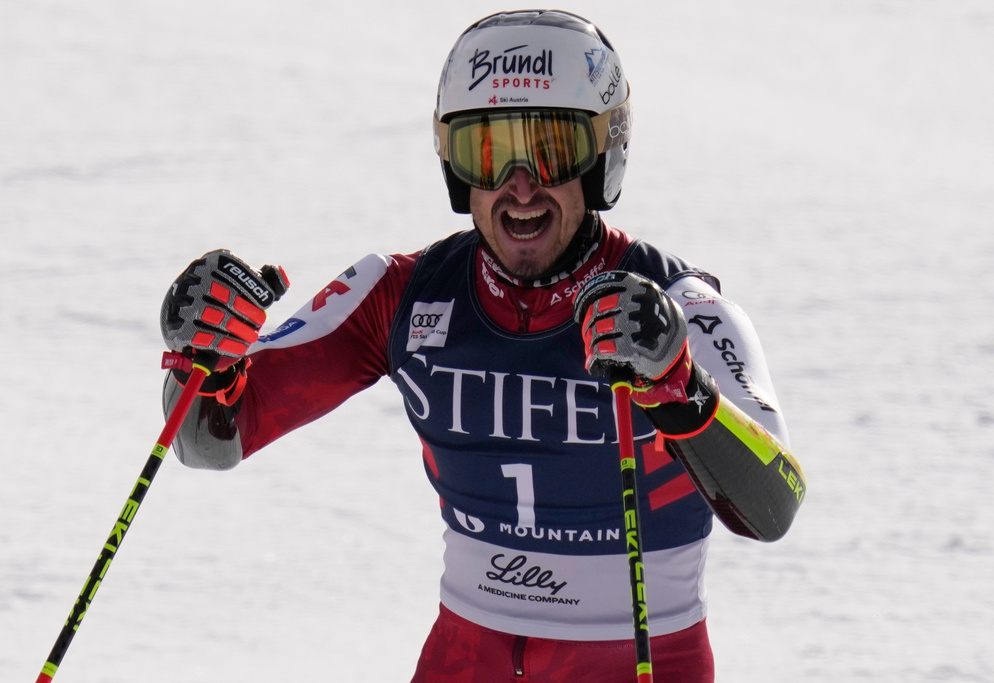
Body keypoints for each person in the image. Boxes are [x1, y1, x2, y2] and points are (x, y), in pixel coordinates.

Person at [159, 10, 806, 682]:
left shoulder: (677, 306)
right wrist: (204, 352)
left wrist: (680, 388)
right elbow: (210, 439)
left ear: (600, 157)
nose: (518, 185)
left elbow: (773, 504)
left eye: (550, 150)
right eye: (487, 154)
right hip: (465, 660)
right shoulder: (401, 295)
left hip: (639, 659)